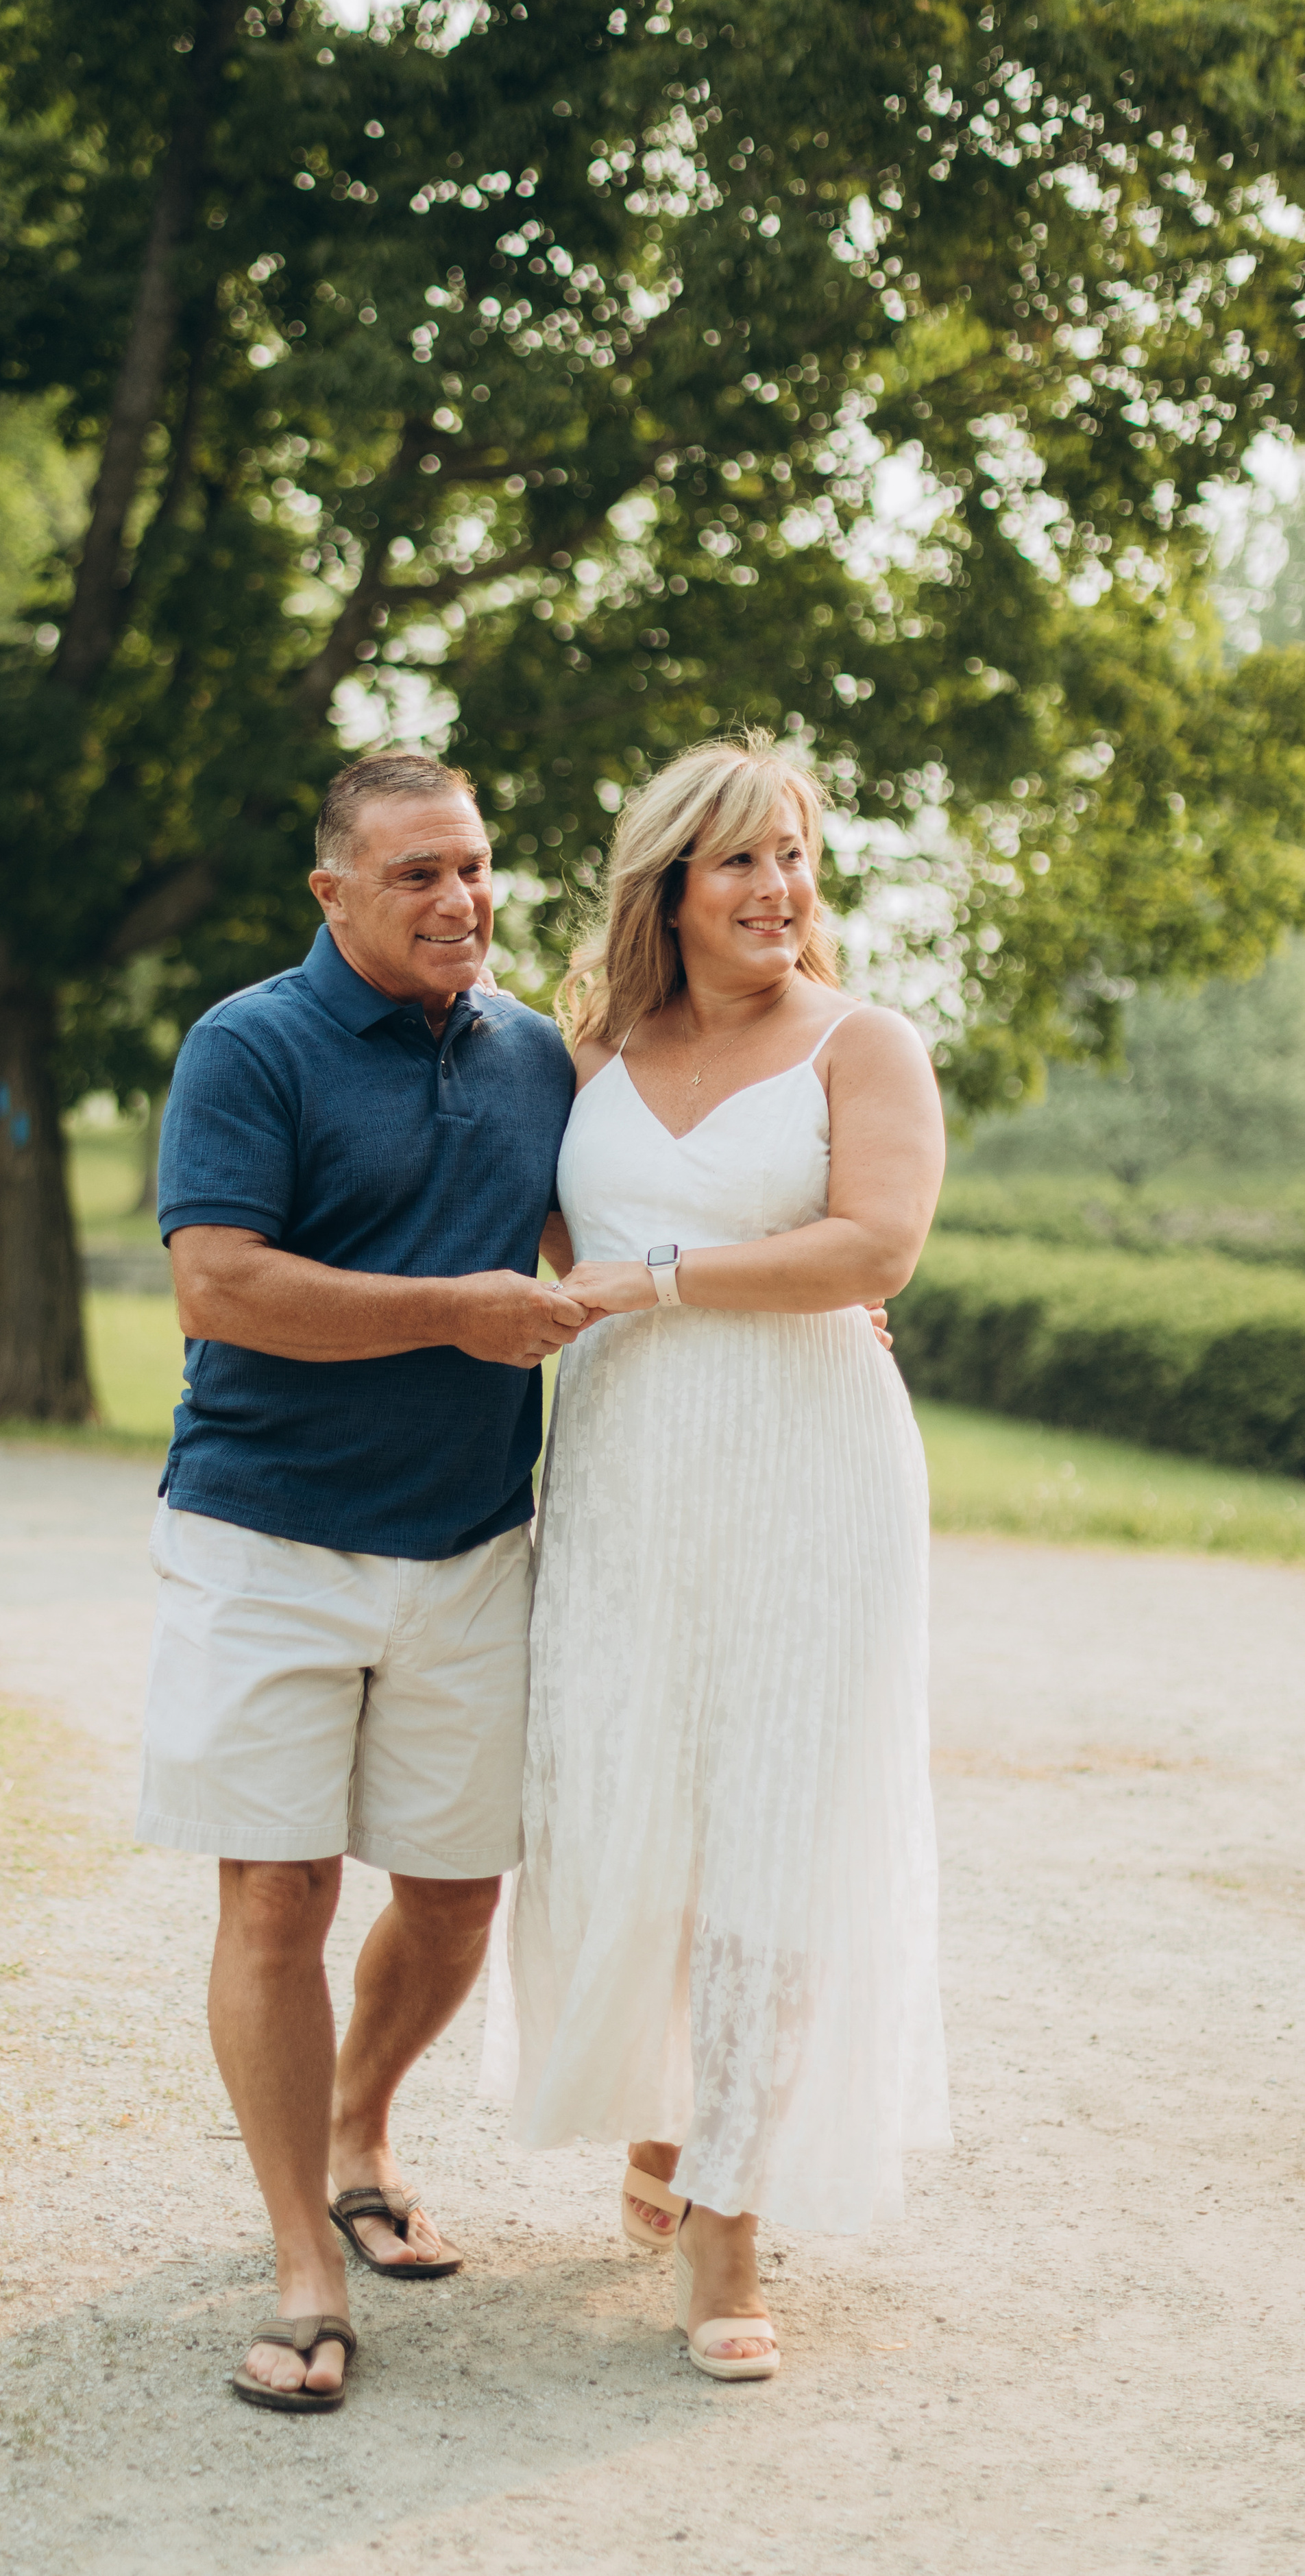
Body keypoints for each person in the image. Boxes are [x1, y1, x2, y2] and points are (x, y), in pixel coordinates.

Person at [493, 732, 951, 2383]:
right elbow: (543, 1238)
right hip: (626, 1472)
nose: (778, 889)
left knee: (773, 1826)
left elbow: (870, 1245)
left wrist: (661, 1280)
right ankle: (664, 2123)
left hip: (807, 1471)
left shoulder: (861, 1043)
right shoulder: (588, 1051)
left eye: (797, 857)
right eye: (742, 860)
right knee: (629, 1813)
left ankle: (733, 2216)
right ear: (667, 886)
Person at [136, 751, 583, 2412]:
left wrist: (816, 1302)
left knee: (461, 1888)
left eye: (474, 867)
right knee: (277, 1896)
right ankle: (302, 2264)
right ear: (331, 894)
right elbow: (218, 1287)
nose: (460, 901)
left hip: (472, 1542)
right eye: (416, 875)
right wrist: (450, 1309)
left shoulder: (541, 1053)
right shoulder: (246, 1045)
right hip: (266, 1537)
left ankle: (359, 2127)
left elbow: (613, 1226)